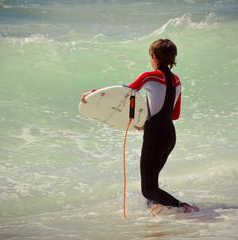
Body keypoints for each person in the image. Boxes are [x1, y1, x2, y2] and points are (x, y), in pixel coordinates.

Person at [81, 39, 199, 213]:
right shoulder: (177, 81)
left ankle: (183, 208)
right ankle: (157, 216)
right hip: (169, 136)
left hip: (155, 136)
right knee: (152, 184)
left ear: (154, 57)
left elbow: (125, 94)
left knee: (148, 189)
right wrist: (146, 121)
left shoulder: (150, 76)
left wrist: (92, 94)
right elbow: (175, 115)